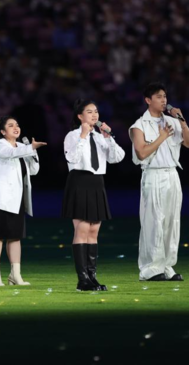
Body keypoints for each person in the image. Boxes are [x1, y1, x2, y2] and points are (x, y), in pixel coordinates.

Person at [129, 82, 189, 282]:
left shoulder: (172, 121)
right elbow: (141, 152)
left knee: (172, 222)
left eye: (164, 96)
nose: (163, 100)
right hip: (153, 175)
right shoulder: (138, 125)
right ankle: (150, 269)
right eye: (158, 97)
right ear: (148, 100)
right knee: (153, 222)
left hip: (172, 175)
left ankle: (167, 266)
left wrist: (182, 121)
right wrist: (161, 137)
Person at [62, 99, 125, 291]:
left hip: (97, 183)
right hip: (79, 181)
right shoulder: (72, 136)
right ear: (80, 116)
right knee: (81, 229)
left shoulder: (100, 137)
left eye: (96, 111)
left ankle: (92, 276)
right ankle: (82, 280)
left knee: (94, 231)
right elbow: (71, 158)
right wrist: (83, 135)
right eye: (89, 112)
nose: (94, 115)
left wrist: (108, 137)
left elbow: (117, 157)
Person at [0, 116, 47, 286]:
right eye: (10, 126)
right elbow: (11, 154)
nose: (15, 127)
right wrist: (29, 147)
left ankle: (15, 275)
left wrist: (33, 152)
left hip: (16, 199)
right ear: (3, 131)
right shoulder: (0, 145)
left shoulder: (22, 147)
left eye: (17, 124)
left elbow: (34, 171)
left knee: (15, 237)